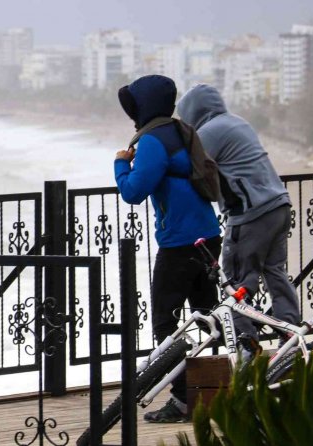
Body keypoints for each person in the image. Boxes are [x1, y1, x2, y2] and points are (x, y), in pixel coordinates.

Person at [115, 75, 222, 423]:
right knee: (206, 316)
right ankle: (213, 393)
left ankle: (181, 399)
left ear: (143, 107)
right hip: (208, 234)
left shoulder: (151, 141)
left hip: (179, 244)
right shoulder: (180, 130)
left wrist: (120, 163)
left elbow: (133, 191)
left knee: (166, 322)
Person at [177, 84, 301, 350]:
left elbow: (189, 168)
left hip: (251, 214)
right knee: (274, 271)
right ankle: (290, 333)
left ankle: (246, 345)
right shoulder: (237, 122)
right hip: (279, 205)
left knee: (235, 283)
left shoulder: (209, 132)